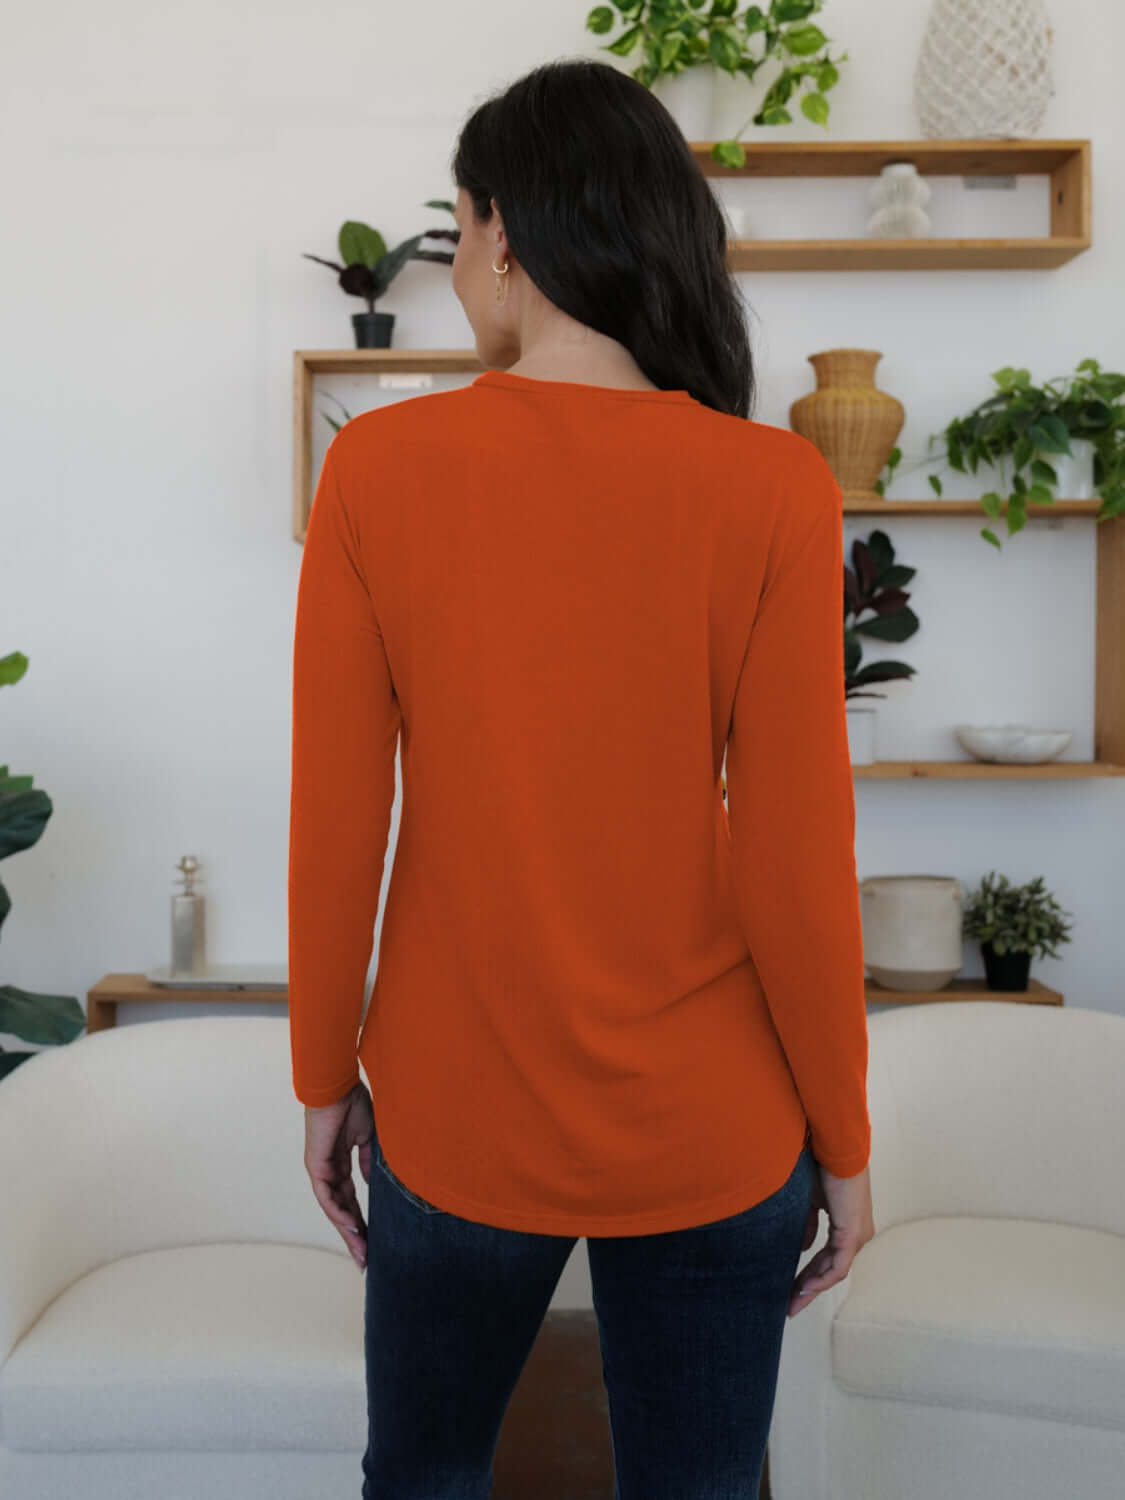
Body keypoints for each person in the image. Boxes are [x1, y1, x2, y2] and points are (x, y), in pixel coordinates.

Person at [288, 55, 875, 1500]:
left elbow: (336, 817)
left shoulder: (378, 470)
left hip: (452, 1105)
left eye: (458, 228)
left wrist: (321, 1076)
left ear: (501, 232)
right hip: (714, 1123)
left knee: (419, 1479)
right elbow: (794, 855)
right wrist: (844, 1146)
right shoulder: (774, 486)